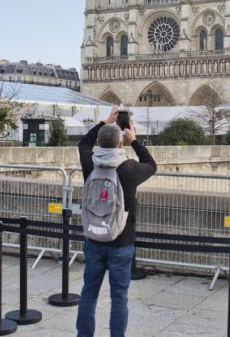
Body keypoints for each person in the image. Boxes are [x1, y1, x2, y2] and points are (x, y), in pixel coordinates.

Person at [76, 106, 157, 337]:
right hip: (122, 241)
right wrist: (134, 141)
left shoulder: (90, 162)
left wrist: (105, 122)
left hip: (93, 237)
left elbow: (82, 143)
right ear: (121, 143)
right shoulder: (129, 168)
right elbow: (151, 164)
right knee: (119, 297)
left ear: (99, 144)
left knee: (88, 293)